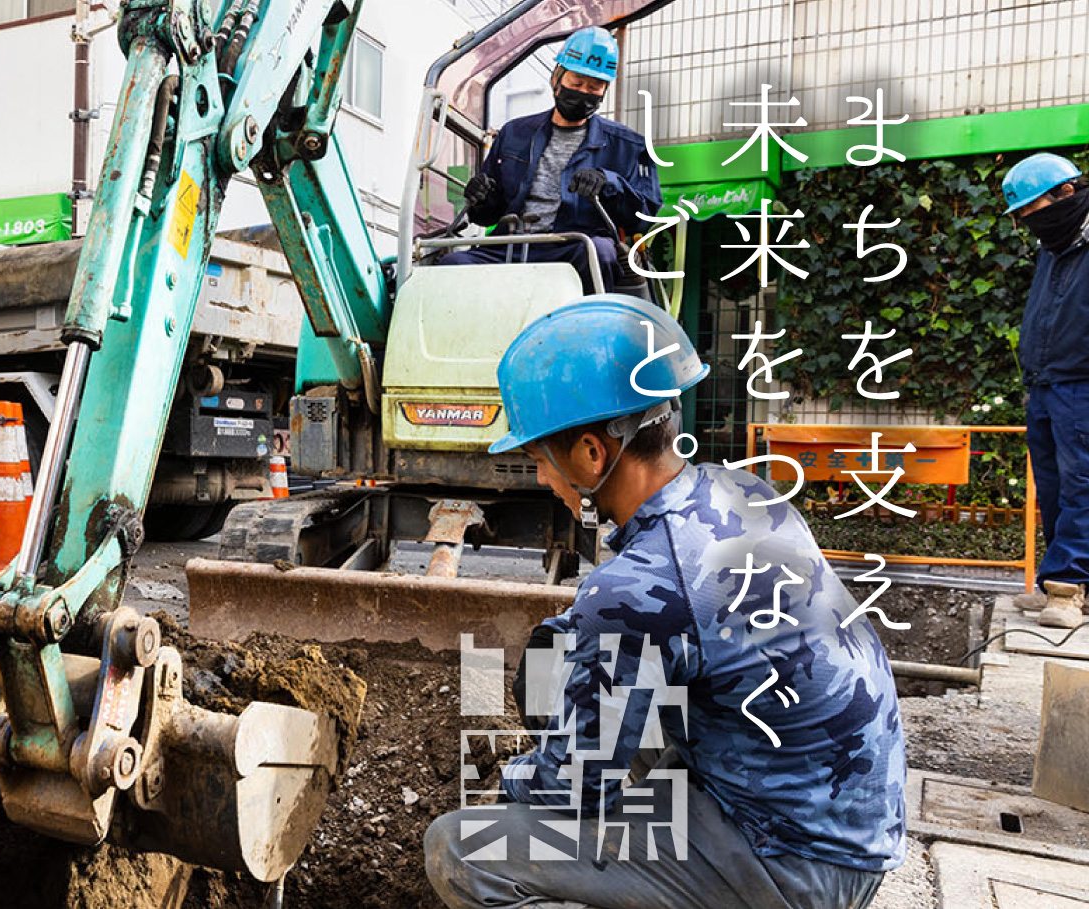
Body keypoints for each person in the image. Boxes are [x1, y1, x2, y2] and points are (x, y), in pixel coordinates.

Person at [423, 295, 907, 909]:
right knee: (576, 668)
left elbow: (570, 792)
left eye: (538, 461)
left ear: (592, 454)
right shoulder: (745, 490)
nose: (543, 479)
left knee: (462, 850)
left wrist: (514, 780)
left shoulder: (636, 589)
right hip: (845, 820)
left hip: (792, 862)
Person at [438, 27, 661, 293]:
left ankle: (585, 331)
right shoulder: (513, 134)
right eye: (577, 83)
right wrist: (480, 197)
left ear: (605, 90)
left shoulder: (628, 146)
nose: (583, 92)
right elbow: (486, 217)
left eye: (594, 87)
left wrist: (609, 183)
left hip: (574, 248)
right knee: (451, 264)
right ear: (556, 77)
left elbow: (645, 216)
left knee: (600, 253)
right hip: (511, 247)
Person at [1003, 152, 1089, 629]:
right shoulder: (1053, 244)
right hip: (1046, 380)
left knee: (1083, 484)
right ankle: (1070, 582)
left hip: (1082, 381)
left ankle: (1066, 587)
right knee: (1054, 487)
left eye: (1028, 211)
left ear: (1066, 194)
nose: (1024, 223)